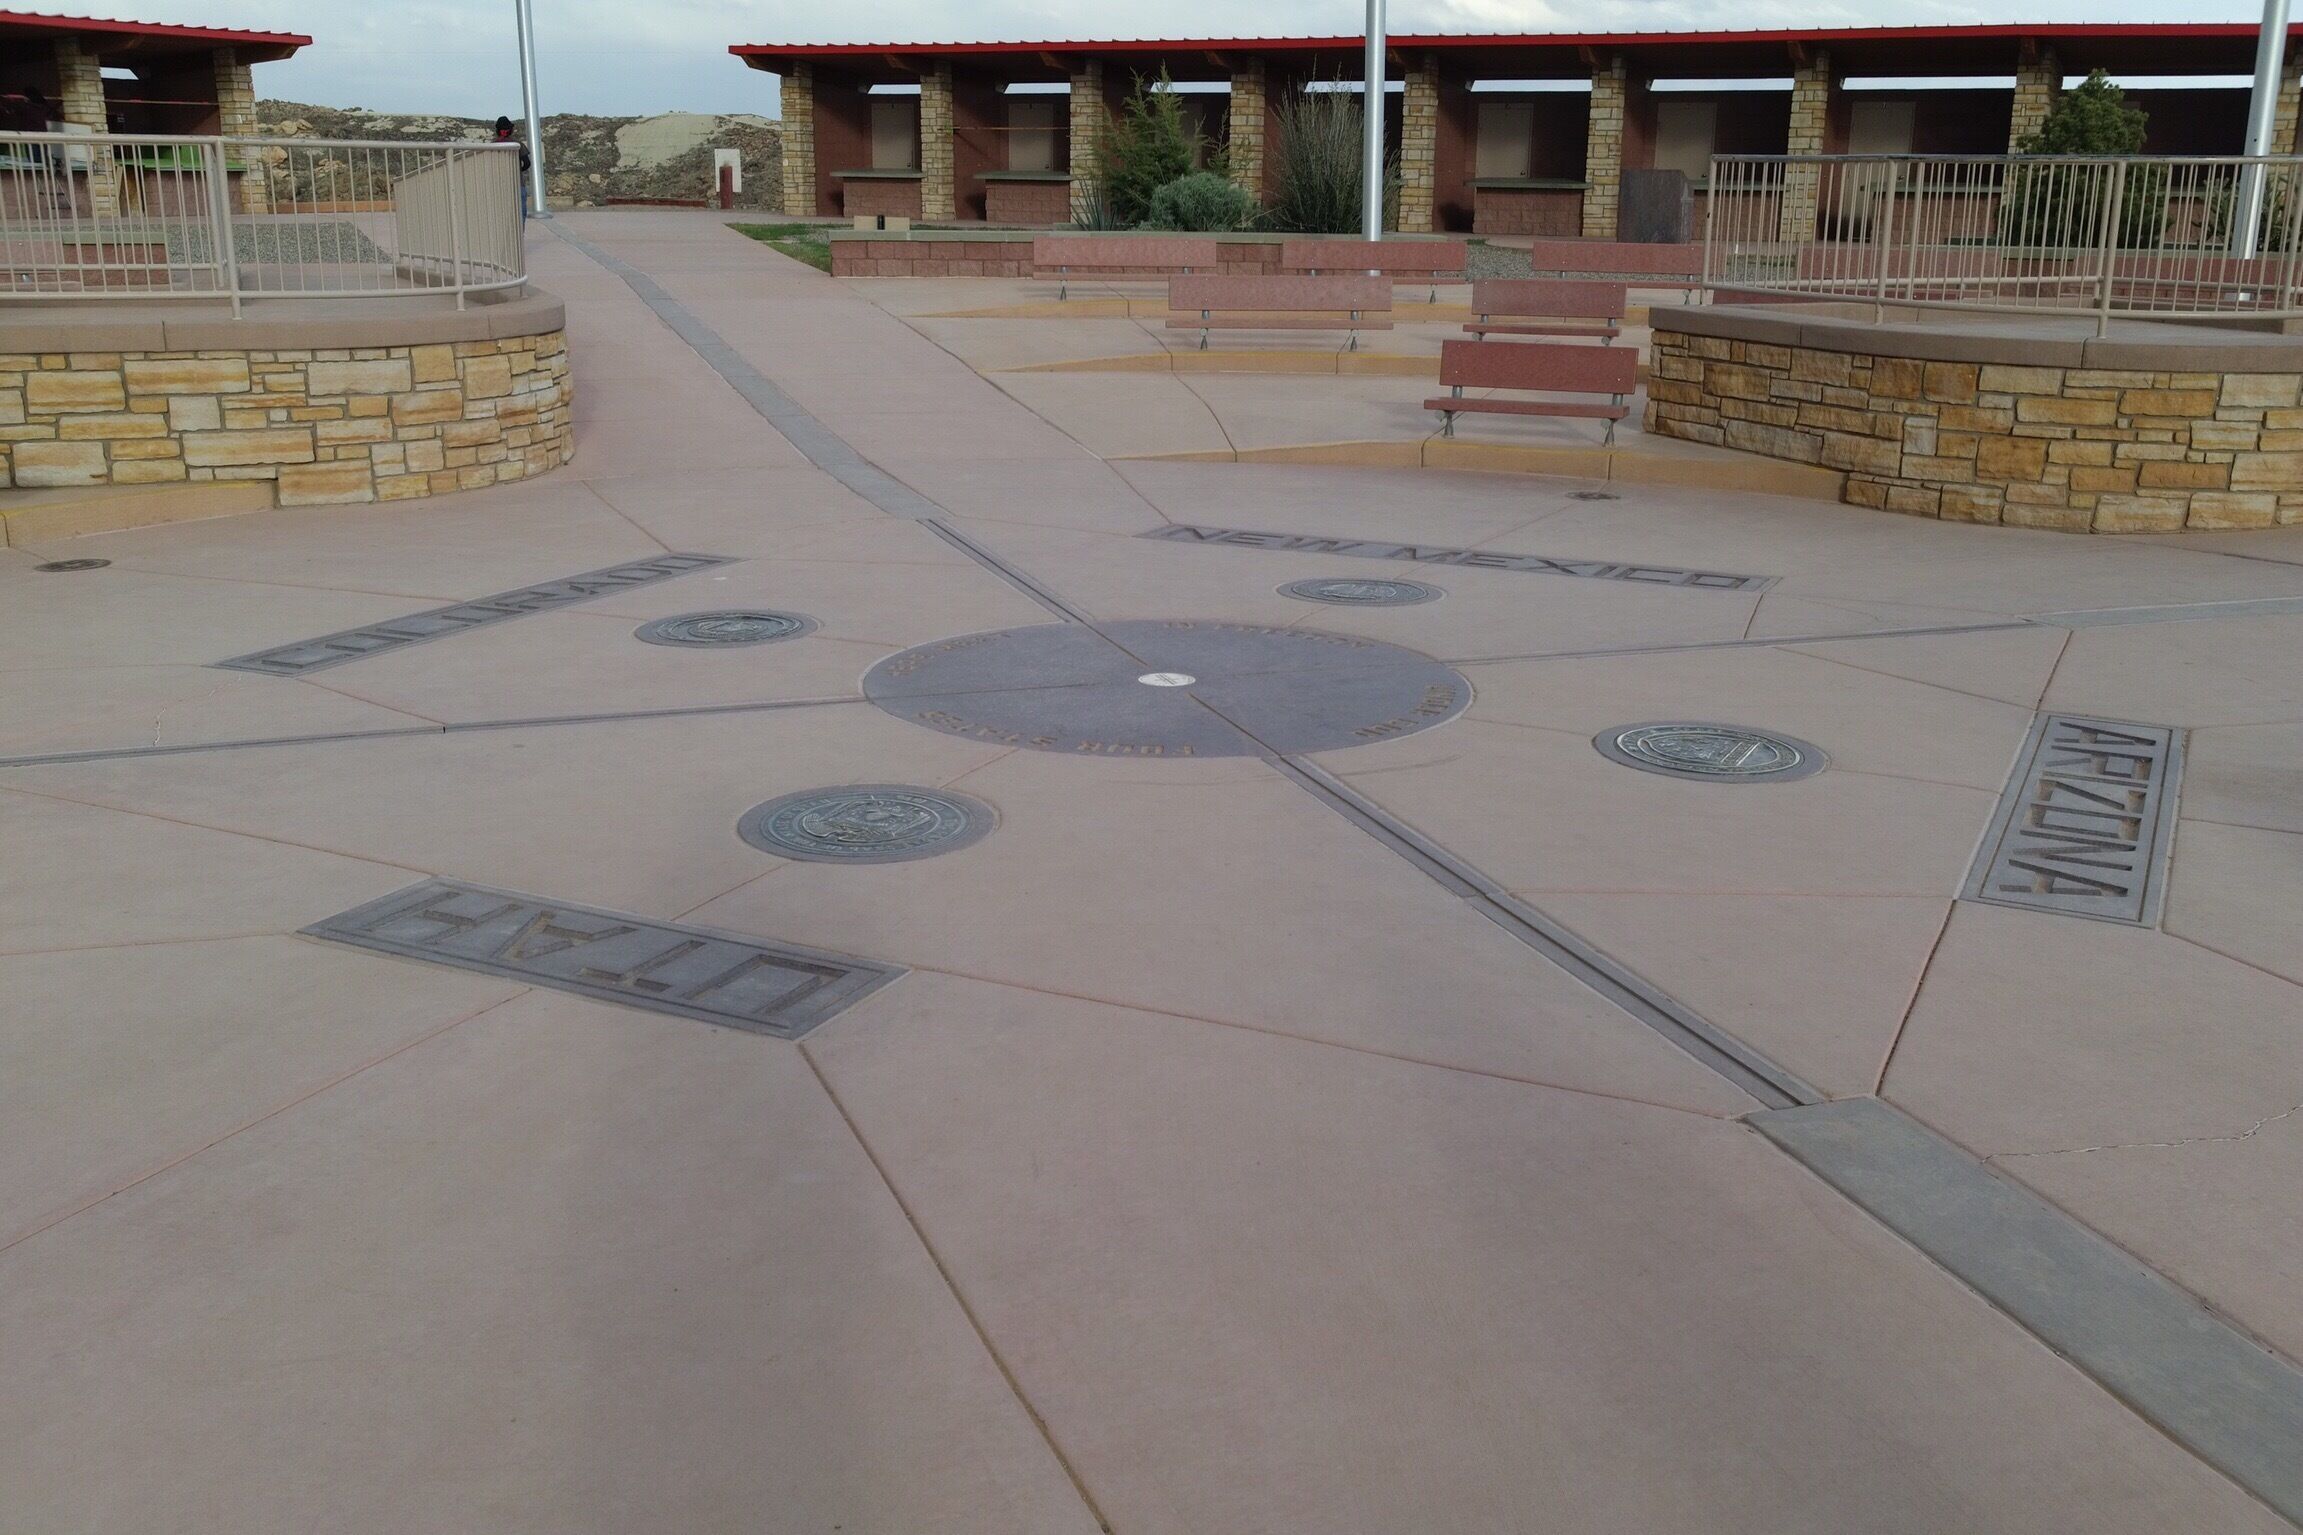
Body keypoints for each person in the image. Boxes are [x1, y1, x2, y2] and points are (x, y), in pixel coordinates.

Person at [493, 115, 532, 219]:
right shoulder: (517, 144)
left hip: (498, 185)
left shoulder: (492, 145)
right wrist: (518, 170)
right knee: (520, 214)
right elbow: (527, 163)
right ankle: (520, 234)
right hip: (518, 184)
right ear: (510, 130)